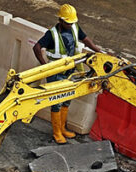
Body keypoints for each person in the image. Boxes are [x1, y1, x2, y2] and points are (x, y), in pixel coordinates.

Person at [32, 4, 102, 144]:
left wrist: (98, 51)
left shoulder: (75, 28)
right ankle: (57, 132)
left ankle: (63, 128)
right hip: (56, 74)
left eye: (72, 23)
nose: (70, 25)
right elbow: (36, 47)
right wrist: (45, 66)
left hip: (70, 72)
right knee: (56, 102)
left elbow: (85, 39)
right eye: (68, 23)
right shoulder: (52, 34)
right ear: (61, 20)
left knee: (66, 100)